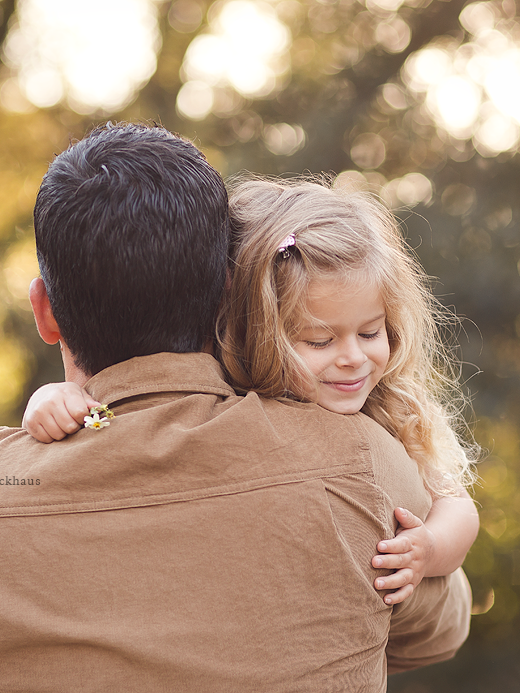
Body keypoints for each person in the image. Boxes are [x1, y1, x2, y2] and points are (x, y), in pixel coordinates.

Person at [0, 124, 471, 692]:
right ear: (232, 295)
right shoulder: (359, 460)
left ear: (45, 312)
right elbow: (437, 630)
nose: (352, 357)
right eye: (320, 340)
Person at [24, 176, 480, 607]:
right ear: (254, 333)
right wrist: (59, 400)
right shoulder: (222, 395)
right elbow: (125, 425)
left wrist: (430, 548)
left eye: (370, 332)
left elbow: (457, 506)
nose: (353, 358)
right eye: (319, 341)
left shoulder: (387, 410)